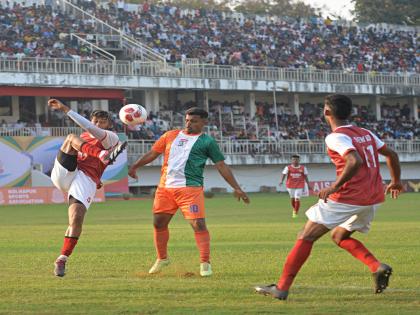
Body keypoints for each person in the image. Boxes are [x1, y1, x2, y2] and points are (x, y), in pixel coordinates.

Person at [255, 94, 403, 300]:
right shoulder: (365, 133)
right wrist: (395, 181)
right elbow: (392, 155)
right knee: (339, 236)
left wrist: (334, 186)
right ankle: (377, 266)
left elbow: (354, 160)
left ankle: (281, 288)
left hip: (348, 198)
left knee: (306, 236)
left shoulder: (335, 136)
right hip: (372, 198)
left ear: (326, 112)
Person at [128, 107, 250, 277]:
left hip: (190, 190)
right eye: (187, 120)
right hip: (165, 188)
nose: (189, 123)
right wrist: (135, 166)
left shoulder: (207, 142)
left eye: (193, 121)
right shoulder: (170, 135)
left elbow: (221, 165)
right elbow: (153, 153)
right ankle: (162, 258)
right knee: (158, 223)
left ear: (203, 123)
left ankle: (205, 263)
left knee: (198, 224)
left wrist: (236, 187)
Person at [48, 99, 127, 277]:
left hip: (85, 179)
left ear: (108, 124)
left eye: (102, 122)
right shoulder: (82, 137)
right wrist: (100, 156)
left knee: (76, 220)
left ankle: (62, 259)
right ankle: (102, 155)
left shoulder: (111, 138)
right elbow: (85, 130)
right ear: (91, 121)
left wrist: (65, 109)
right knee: (70, 138)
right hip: (67, 172)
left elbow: (91, 130)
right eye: (95, 121)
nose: (98, 124)